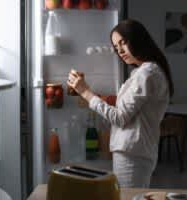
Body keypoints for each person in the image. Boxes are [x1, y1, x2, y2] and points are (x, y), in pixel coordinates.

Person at [67, 19, 174, 188]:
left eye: (123, 43)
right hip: (136, 151)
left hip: (132, 153)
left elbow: (120, 117)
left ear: (138, 39)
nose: (120, 50)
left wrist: (85, 92)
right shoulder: (145, 71)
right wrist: (96, 96)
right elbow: (128, 105)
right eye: (117, 47)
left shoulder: (147, 73)